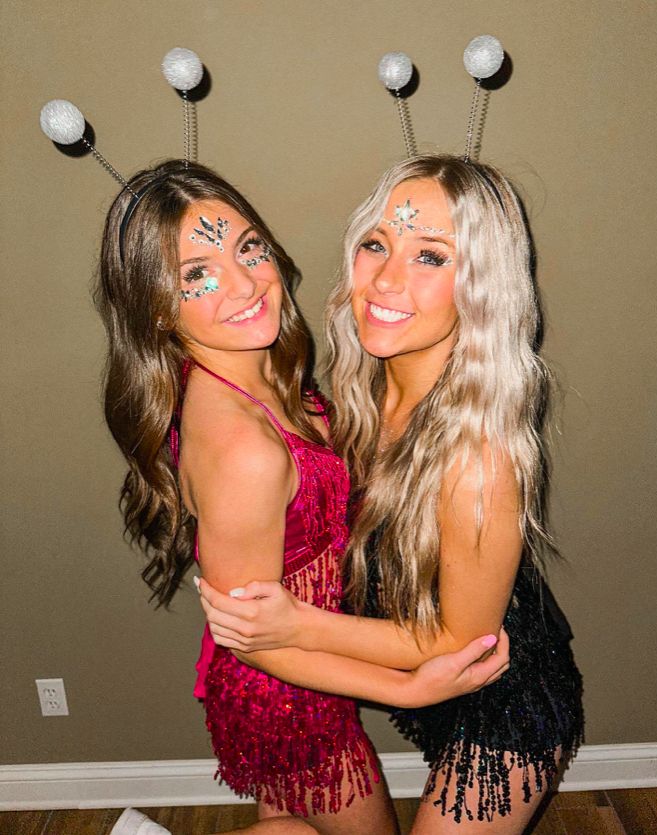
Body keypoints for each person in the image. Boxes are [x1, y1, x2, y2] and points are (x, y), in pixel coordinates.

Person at [97, 159, 510, 835]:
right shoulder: (244, 450)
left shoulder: (262, 369)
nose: (243, 283)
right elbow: (254, 636)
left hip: (312, 670)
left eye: (248, 248)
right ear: (157, 308)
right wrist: (410, 686)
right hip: (289, 695)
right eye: (195, 275)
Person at [199, 154, 584, 832]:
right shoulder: (351, 395)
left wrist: (297, 625)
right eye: (376, 243)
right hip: (410, 676)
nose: (385, 277)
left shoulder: (480, 459)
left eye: (431, 256)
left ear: (484, 286)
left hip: (502, 701)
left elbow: (464, 639)